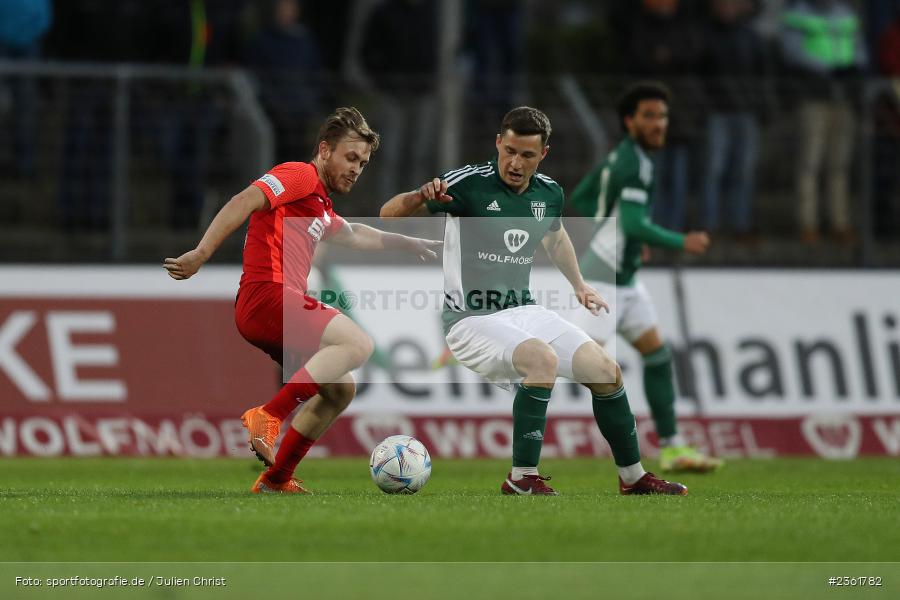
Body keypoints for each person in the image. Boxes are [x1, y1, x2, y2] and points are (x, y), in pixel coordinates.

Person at [380, 106, 688, 496]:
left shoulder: (549, 192)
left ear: (543, 154)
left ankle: (633, 478)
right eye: (509, 151)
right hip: (468, 319)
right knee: (541, 359)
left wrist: (579, 284)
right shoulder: (467, 184)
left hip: (523, 311)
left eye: (526, 155)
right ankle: (521, 477)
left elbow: (555, 237)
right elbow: (388, 214)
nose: (514, 162)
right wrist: (418, 196)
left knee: (606, 370)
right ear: (498, 143)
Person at [165, 107, 440, 493]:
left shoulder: (319, 203)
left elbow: (354, 233)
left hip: (269, 308)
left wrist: (406, 243)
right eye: (350, 157)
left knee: (340, 388)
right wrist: (201, 252)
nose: (356, 168)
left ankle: (277, 479)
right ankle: (268, 415)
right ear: (325, 150)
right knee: (357, 343)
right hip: (267, 296)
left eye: (362, 163)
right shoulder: (300, 175)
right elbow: (244, 201)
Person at [567, 82, 721, 474]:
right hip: (602, 282)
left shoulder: (622, 157)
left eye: (662, 116)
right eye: (649, 116)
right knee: (565, 365)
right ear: (629, 121)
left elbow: (585, 199)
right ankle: (496, 349)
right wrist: (679, 240)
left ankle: (672, 448)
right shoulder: (634, 162)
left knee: (657, 355)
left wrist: (624, 241)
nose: (658, 124)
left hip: (625, 279)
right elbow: (633, 221)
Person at [780, 0, 868, 245]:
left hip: (844, 98)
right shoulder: (797, 15)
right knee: (810, 162)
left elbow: (860, 48)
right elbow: (792, 52)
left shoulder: (846, 15)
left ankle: (839, 222)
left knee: (839, 164)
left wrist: (853, 67)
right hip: (814, 95)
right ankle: (808, 223)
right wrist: (827, 69)